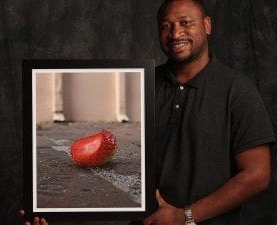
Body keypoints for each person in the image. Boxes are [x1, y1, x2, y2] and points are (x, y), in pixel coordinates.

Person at [20, 0, 275, 224]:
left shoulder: (237, 89)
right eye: (165, 26)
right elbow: (124, 171)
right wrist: (52, 211)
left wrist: (184, 217)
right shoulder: (145, 84)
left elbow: (257, 175)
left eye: (186, 22)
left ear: (206, 25)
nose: (175, 33)